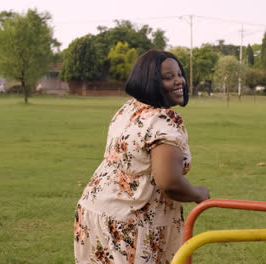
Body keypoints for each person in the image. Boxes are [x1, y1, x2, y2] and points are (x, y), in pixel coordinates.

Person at [74, 50, 210, 264]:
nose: (179, 81)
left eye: (179, 74)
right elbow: (170, 182)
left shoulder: (130, 108)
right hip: (131, 221)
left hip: (96, 209)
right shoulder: (163, 121)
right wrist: (197, 193)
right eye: (168, 77)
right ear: (151, 82)